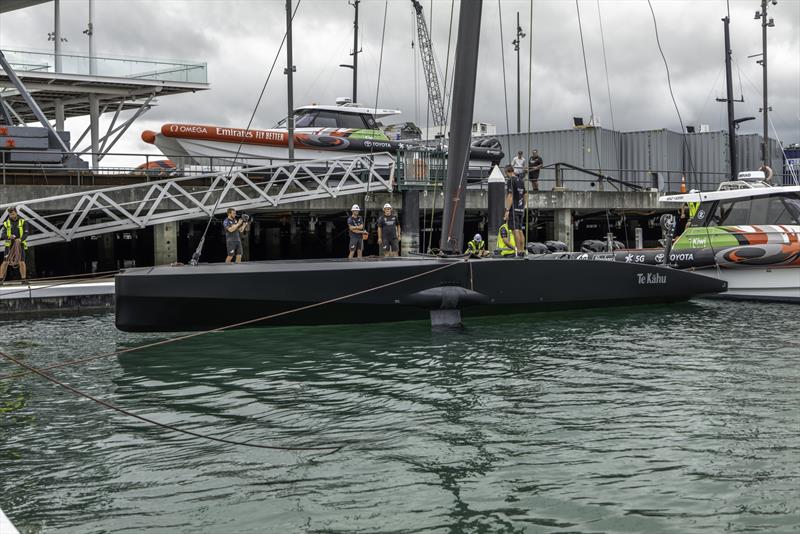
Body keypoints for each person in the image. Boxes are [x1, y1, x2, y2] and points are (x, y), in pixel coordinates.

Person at [1, 207, 29, 282]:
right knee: (5, 262)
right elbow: (2, 235)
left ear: (16, 212)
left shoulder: (23, 221)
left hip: (20, 244)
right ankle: (0, 279)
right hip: (9, 245)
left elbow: (26, 233)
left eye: (13, 214)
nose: (12, 216)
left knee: (21, 261)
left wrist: (20, 239)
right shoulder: (6, 223)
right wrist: (9, 237)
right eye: (10, 215)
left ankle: (23, 279)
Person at [504, 165, 526, 256]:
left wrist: (507, 210)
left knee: (515, 230)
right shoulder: (521, 181)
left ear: (507, 172)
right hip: (520, 209)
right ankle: (522, 250)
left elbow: (510, 195)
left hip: (513, 209)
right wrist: (523, 206)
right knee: (520, 230)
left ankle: (519, 251)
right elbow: (525, 195)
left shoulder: (510, 180)